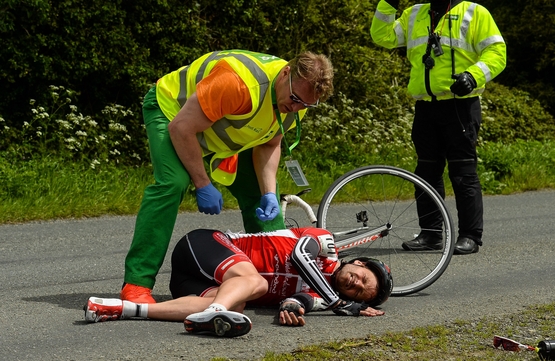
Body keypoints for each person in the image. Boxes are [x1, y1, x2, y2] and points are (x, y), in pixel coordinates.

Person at [121, 50, 334, 304]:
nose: (297, 108)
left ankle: (274, 281)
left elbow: (268, 145)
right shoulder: (238, 83)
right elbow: (181, 128)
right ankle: (136, 285)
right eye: (296, 99)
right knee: (172, 183)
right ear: (286, 73)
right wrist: (202, 183)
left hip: (218, 129)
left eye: (306, 105)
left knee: (261, 195)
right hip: (173, 113)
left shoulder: (298, 96)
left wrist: (268, 193)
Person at [370, 0, 506, 254]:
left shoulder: (475, 13)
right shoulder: (414, 14)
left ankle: (470, 236)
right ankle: (431, 235)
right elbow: (382, 36)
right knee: (426, 172)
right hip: (426, 106)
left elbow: (497, 52)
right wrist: (388, 4)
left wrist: (473, 75)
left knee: (463, 172)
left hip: (461, 105)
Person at [85, 227, 393, 337]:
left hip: (192, 284)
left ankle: (122, 309)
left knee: (241, 304)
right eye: (361, 277)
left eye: (357, 290)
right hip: (203, 246)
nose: (353, 282)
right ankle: (216, 310)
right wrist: (342, 303)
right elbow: (301, 256)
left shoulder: (320, 294)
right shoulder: (324, 242)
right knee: (255, 282)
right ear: (359, 262)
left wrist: (291, 308)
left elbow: (301, 301)